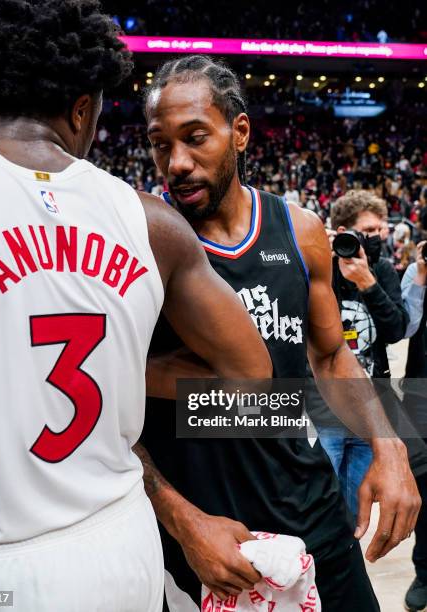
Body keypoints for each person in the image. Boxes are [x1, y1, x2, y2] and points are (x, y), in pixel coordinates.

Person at [0, 5, 273, 611]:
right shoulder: (151, 221)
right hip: (120, 546)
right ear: (83, 108)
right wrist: (119, 375)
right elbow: (252, 377)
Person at [135, 55, 420, 612]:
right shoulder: (141, 237)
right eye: (159, 143)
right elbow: (109, 408)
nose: (178, 162)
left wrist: (391, 448)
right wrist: (180, 518)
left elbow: (332, 355)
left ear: (239, 132)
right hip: (207, 531)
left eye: (196, 138)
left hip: (306, 503)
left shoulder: (300, 229)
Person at [308, 191, 410, 518]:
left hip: (370, 411)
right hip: (325, 411)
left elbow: (396, 330)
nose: (378, 236)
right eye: (368, 230)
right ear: (343, 232)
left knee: (352, 514)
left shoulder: (383, 269)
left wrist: (368, 283)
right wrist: (315, 255)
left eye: (381, 230)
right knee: (319, 509)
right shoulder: (320, 267)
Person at [402, 243, 427, 611]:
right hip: (421, 397)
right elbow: (402, 327)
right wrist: (421, 276)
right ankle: (424, 571)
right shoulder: (414, 273)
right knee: (424, 488)